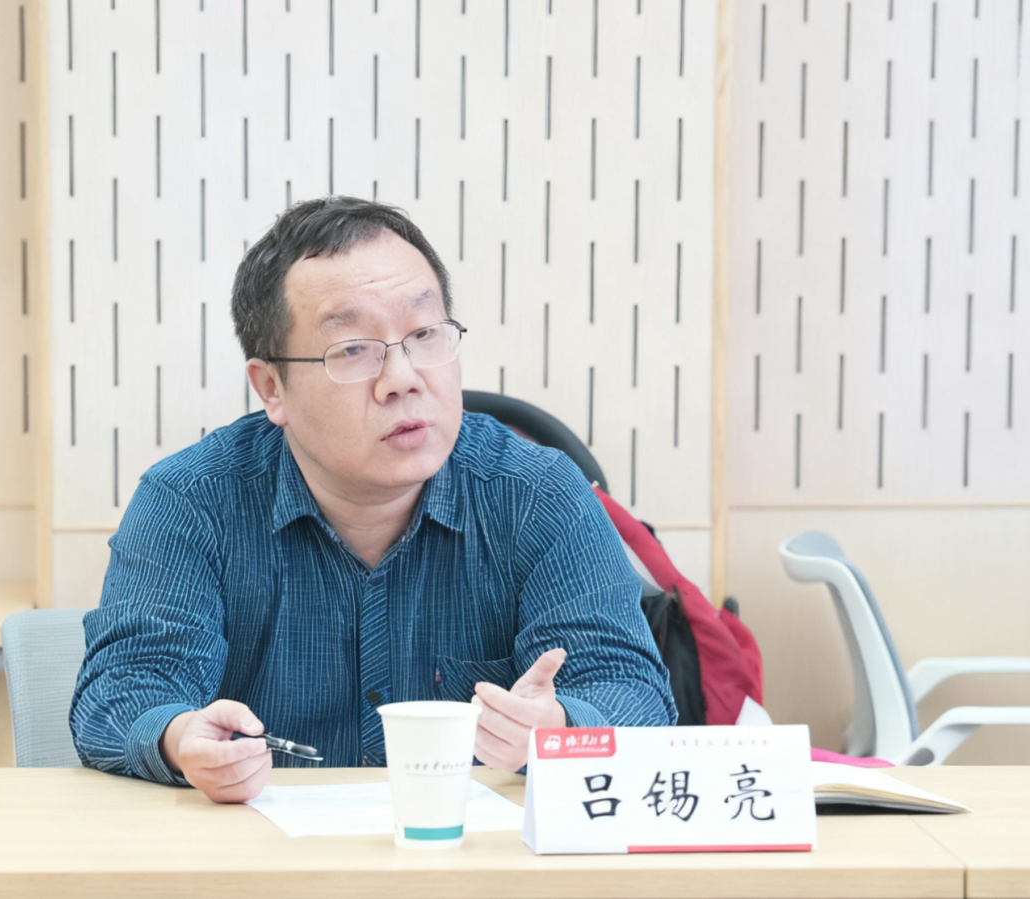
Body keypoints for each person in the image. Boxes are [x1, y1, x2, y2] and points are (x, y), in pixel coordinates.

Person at [70, 196, 676, 803]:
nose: (402, 378)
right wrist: (181, 737)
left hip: (466, 851)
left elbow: (631, 690)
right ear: (272, 387)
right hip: (261, 851)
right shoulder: (192, 501)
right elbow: (123, 692)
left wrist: (561, 727)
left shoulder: (537, 495)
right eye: (353, 349)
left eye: (425, 334)